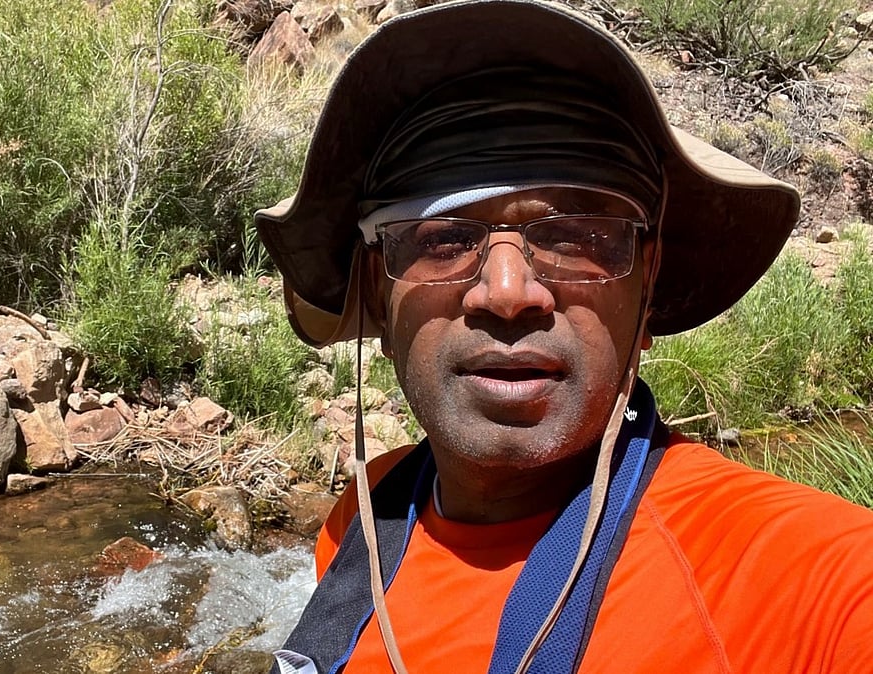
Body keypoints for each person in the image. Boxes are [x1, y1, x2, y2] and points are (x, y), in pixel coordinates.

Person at [254, 1, 873, 673]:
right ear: (379, 292)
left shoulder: (809, 581)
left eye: (578, 238)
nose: (507, 292)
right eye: (443, 239)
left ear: (647, 286)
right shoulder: (367, 518)